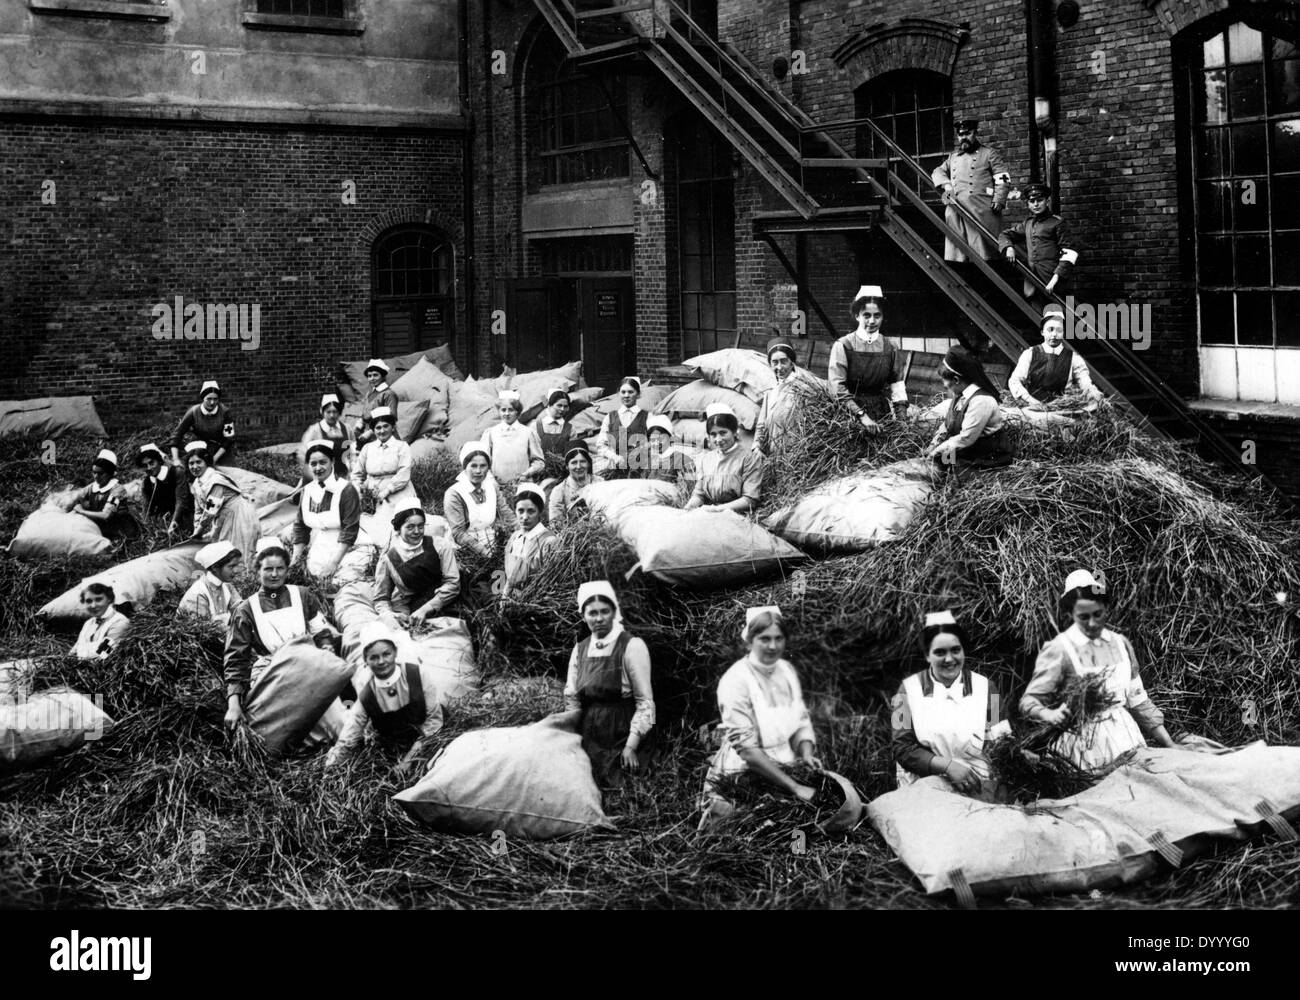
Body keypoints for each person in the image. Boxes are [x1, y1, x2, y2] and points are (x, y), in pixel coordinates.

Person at [1020, 570, 1180, 770]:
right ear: (1071, 613)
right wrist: (1050, 715)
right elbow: (1029, 702)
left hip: (1125, 738)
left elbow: (1137, 699)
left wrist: (1169, 743)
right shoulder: (1060, 650)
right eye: (1083, 616)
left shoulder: (1121, 645)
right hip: (1083, 747)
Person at [699, 606, 820, 826]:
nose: (773, 646)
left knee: (793, 836)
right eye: (765, 638)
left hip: (786, 764)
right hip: (744, 774)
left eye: (778, 638)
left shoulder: (786, 670)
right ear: (749, 640)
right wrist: (795, 787)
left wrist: (805, 752)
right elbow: (748, 751)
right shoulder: (736, 680)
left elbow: (801, 720)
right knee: (741, 840)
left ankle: (795, 851)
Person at [222, 538, 339, 732]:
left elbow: (321, 631)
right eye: (268, 569)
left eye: (280, 568)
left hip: (307, 663)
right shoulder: (246, 610)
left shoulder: (303, 595)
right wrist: (233, 705)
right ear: (257, 571)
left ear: (287, 569)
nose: (274, 574)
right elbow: (236, 659)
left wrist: (326, 647)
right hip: (271, 672)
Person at [892, 610, 1004, 795]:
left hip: (977, 786)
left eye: (955, 650)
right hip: (924, 787)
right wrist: (949, 767)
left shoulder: (988, 688)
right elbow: (902, 748)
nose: (949, 659)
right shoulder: (904, 691)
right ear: (927, 655)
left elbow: (1000, 742)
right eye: (939, 652)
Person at [564, 581, 655, 789]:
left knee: (625, 787)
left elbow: (646, 704)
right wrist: (572, 732)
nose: (599, 619)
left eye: (604, 611)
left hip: (623, 727)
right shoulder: (580, 649)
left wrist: (631, 746)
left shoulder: (631, 646)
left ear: (614, 612)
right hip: (591, 729)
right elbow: (571, 696)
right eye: (592, 613)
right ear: (583, 616)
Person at [325, 622, 445, 771]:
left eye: (386, 654)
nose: (381, 661)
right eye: (374, 657)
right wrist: (333, 764)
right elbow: (353, 727)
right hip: (393, 750)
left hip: (430, 739)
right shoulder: (367, 691)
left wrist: (410, 759)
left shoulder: (416, 674)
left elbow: (434, 720)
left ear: (395, 652)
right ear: (366, 660)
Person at [827, 286, 909, 435]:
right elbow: (837, 388)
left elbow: (897, 385)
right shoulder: (843, 345)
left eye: (877, 315)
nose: (872, 321)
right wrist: (861, 416)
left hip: (881, 413)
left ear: (883, 317)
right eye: (866, 315)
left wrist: (902, 420)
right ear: (857, 316)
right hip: (849, 416)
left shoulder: (890, 347)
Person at [293, 441, 372, 588]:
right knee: (314, 582)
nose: (318, 468)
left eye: (323, 462)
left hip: (351, 547)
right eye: (313, 463)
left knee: (341, 583)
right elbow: (300, 527)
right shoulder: (307, 490)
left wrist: (334, 563)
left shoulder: (346, 489)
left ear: (333, 462)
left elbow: (350, 529)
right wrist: (295, 561)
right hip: (322, 545)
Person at [931, 119, 1010, 264]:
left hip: (980, 212)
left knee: (984, 256)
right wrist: (947, 185)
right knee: (960, 256)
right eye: (960, 135)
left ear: (975, 133)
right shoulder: (953, 157)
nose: (963, 137)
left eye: (968, 133)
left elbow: (1003, 179)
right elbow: (937, 171)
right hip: (957, 212)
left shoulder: (989, 154)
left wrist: (999, 199)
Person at [172, 441, 260, 566]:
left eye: (198, 462)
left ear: (206, 462)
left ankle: (246, 578)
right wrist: (196, 529)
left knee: (239, 549)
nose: (195, 467)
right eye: (191, 463)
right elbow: (198, 509)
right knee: (223, 549)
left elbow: (210, 510)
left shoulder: (215, 480)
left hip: (237, 515)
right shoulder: (197, 483)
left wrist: (199, 530)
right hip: (222, 517)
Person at [374, 502, 460, 627]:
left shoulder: (440, 545)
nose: (416, 531)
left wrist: (425, 609)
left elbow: (453, 583)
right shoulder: (389, 558)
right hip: (412, 606)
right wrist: (390, 615)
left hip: (445, 600)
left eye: (421, 526)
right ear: (399, 528)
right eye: (410, 527)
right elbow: (381, 598)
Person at [928, 348, 1013, 471]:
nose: (944, 385)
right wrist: (933, 444)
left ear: (956, 380)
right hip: (962, 447)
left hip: (984, 454)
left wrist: (935, 452)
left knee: (955, 476)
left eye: (944, 381)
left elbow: (966, 438)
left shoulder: (981, 401)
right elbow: (947, 425)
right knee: (938, 466)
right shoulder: (960, 396)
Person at [998, 182, 1080, 307]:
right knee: (1038, 317)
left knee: (1059, 319)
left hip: (1053, 281)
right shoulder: (1028, 223)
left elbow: (1070, 252)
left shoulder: (1057, 223)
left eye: (1039, 200)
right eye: (1032, 201)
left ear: (1047, 201)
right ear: (1028, 204)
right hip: (1033, 281)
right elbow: (1005, 235)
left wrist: (1055, 280)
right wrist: (1008, 247)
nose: (1036, 204)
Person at [1008, 304, 1102, 409]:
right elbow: (1014, 381)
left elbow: (1085, 381)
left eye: (1059, 330)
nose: (1054, 334)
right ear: (1042, 332)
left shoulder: (1073, 358)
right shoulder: (1030, 354)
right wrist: (1031, 401)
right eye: (1050, 329)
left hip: (1061, 407)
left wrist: (1092, 392)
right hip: (1031, 407)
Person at [350, 406, 418, 548]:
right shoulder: (368, 448)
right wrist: (357, 491)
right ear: (373, 430)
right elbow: (357, 474)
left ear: (393, 427)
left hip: (398, 492)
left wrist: (387, 491)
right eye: (378, 427)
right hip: (371, 494)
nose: (382, 431)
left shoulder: (401, 446)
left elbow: (404, 474)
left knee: (394, 527)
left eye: (386, 426)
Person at [684, 403, 763, 514]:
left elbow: (750, 500)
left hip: (737, 515)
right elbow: (699, 494)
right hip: (708, 513)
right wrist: (688, 508)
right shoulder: (706, 459)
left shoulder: (749, 459)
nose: (718, 439)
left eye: (723, 433)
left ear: (734, 432)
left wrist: (717, 509)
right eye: (713, 434)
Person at [443, 441, 513, 557]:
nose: (478, 471)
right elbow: (458, 533)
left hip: (493, 543)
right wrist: (485, 552)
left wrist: (524, 532)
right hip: (466, 549)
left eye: (483, 466)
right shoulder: (454, 494)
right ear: (465, 467)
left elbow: (506, 513)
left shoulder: (491, 487)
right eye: (473, 466)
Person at [756, 336, 815, 455]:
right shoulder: (770, 393)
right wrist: (757, 447)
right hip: (772, 456)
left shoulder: (803, 390)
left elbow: (811, 426)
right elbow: (761, 425)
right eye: (775, 362)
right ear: (770, 365)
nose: (779, 367)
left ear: (792, 363)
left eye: (783, 361)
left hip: (796, 456)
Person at [501, 483, 559, 601]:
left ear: (540, 512)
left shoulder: (549, 541)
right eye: (520, 511)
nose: (525, 517)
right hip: (510, 598)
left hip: (535, 601)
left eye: (531, 511)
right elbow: (509, 578)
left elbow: (550, 581)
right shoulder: (515, 538)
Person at [481, 389, 544, 484]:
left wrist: (527, 474)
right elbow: (483, 460)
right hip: (496, 485)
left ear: (517, 412)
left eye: (511, 410)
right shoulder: (491, 433)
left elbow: (539, 462)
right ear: (499, 411)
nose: (506, 413)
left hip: (522, 484)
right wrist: (491, 480)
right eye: (503, 410)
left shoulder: (528, 433)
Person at [70, 449, 133, 540]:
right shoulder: (93, 487)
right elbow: (77, 495)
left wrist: (81, 511)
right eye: (94, 473)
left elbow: (105, 516)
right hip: (101, 528)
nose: (96, 477)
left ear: (110, 473)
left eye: (100, 473)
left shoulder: (117, 490)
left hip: (119, 531)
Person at [178, 540, 243, 626]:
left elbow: (241, 612)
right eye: (231, 566)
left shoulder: (227, 586)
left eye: (236, 565)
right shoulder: (198, 594)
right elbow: (203, 630)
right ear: (215, 567)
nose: (236, 571)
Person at [171, 380, 235, 466]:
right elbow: (177, 435)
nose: (212, 402)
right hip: (201, 449)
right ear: (203, 398)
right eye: (209, 399)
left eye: (215, 399)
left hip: (222, 450)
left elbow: (229, 439)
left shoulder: (225, 412)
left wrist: (214, 458)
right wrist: (175, 459)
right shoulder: (194, 412)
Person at [597, 376, 650, 477]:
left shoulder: (647, 417)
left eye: (631, 392)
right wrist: (614, 457)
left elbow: (653, 443)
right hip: (613, 468)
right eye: (623, 392)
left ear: (638, 394)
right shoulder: (610, 417)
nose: (626, 395)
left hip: (639, 469)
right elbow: (601, 445)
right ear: (618, 394)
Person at [301, 393, 355, 479]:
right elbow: (303, 454)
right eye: (328, 412)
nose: (332, 415)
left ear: (339, 412)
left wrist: (353, 472)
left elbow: (353, 452)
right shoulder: (314, 430)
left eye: (335, 412)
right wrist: (313, 475)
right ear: (321, 411)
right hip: (322, 477)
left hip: (344, 475)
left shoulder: (347, 428)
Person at [71, 582, 129, 660]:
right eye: (88, 601)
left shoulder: (120, 621)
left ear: (109, 599)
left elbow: (103, 655)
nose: (93, 605)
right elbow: (74, 651)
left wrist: (81, 654)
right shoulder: (88, 623)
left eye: (98, 599)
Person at [548, 444, 603, 523]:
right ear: (567, 466)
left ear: (588, 464)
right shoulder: (559, 491)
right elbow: (556, 523)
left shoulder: (600, 483)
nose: (579, 466)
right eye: (574, 462)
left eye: (583, 461)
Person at [356, 360, 399, 447]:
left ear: (383, 376)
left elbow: (391, 418)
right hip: (368, 436)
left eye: (375, 375)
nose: (372, 378)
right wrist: (360, 423)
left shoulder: (389, 394)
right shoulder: (369, 394)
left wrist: (371, 432)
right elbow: (365, 414)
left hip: (384, 435)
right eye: (369, 376)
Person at [644, 415, 695, 485]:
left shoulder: (683, 460)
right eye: (653, 440)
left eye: (661, 439)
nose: (657, 443)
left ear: (670, 437)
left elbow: (691, 487)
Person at [530, 388, 574, 467]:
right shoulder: (535, 426)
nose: (562, 409)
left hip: (563, 469)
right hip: (539, 468)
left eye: (565, 406)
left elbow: (572, 454)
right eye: (559, 405)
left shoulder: (570, 429)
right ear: (550, 405)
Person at [135, 443, 177, 519]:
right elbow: (147, 506)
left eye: (151, 463)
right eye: (145, 466)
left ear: (159, 461)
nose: (149, 468)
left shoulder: (174, 473)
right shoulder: (147, 483)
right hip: (164, 516)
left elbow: (181, 500)